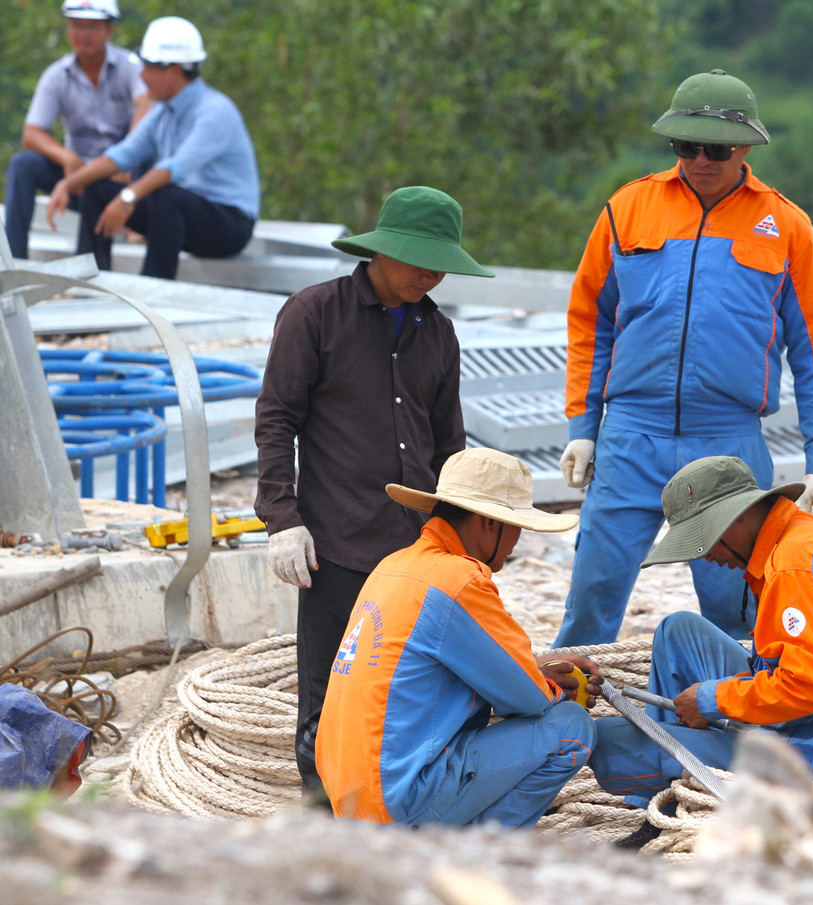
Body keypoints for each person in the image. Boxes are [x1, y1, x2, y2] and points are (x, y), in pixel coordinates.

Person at [554, 69, 813, 648]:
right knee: (592, 594)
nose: (700, 160)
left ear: (745, 148)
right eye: (686, 146)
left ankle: (740, 723)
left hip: (729, 444)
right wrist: (582, 428)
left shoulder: (787, 227)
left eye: (715, 148)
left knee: (737, 608)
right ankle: (567, 720)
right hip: (631, 436)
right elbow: (590, 322)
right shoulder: (627, 209)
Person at [254, 185, 492, 796]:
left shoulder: (438, 335)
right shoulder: (313, 313)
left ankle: (413, 796)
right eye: (419, 261)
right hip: (335, 541)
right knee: (328, 689)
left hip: (416, 546)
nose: (430, 276)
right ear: (381, 252)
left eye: (440, 265)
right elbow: (277, 417)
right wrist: (282, 518)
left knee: (420, 683)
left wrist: (460, 541)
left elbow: (448, 446)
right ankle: (323, 810)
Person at [315, 448, 601, 828]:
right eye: (515, 526)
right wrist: (553, 686)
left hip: (348, 798)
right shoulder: (459, 580)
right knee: (571, 727)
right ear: (489, 524)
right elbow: (529, 700)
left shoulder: (392, 567)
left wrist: (533, 669)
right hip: (397, 801)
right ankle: (473, 856)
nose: (517, 540)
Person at [587, 455, 813, 805]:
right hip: (810, 729)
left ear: (740, 516)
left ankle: (669, 796)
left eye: (706, 539)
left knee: (607, 741)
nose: (706, 557)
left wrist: (711, 699)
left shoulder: (793, 567)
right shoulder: (809, 535)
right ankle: (671, 771)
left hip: (812, 762)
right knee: (679, 630)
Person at [44, 16, 259, 280]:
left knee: (166, 195)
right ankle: (88, 280)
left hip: (229, 226)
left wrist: (127, 197)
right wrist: (67, 184)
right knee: (98, 189)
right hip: (179, 216)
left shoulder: (215, 111)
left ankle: (154, 288)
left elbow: (175, 168)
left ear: (173, 70)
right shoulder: (162, 111)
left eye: (147, 68)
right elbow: (122, 155)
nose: (142, 77)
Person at [4, 0, 149, 261]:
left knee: (146, 145)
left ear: (109, 30)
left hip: (122, 178)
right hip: (78, 174)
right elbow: (32, 132)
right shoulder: (57, 75)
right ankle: (15, 263)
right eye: (76, 25)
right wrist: (67, 158)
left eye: (92, 27)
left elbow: (147, 107)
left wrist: (124, 161)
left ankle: (130, 231)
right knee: (23, 164)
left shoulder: (131, 67)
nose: (83, 34)